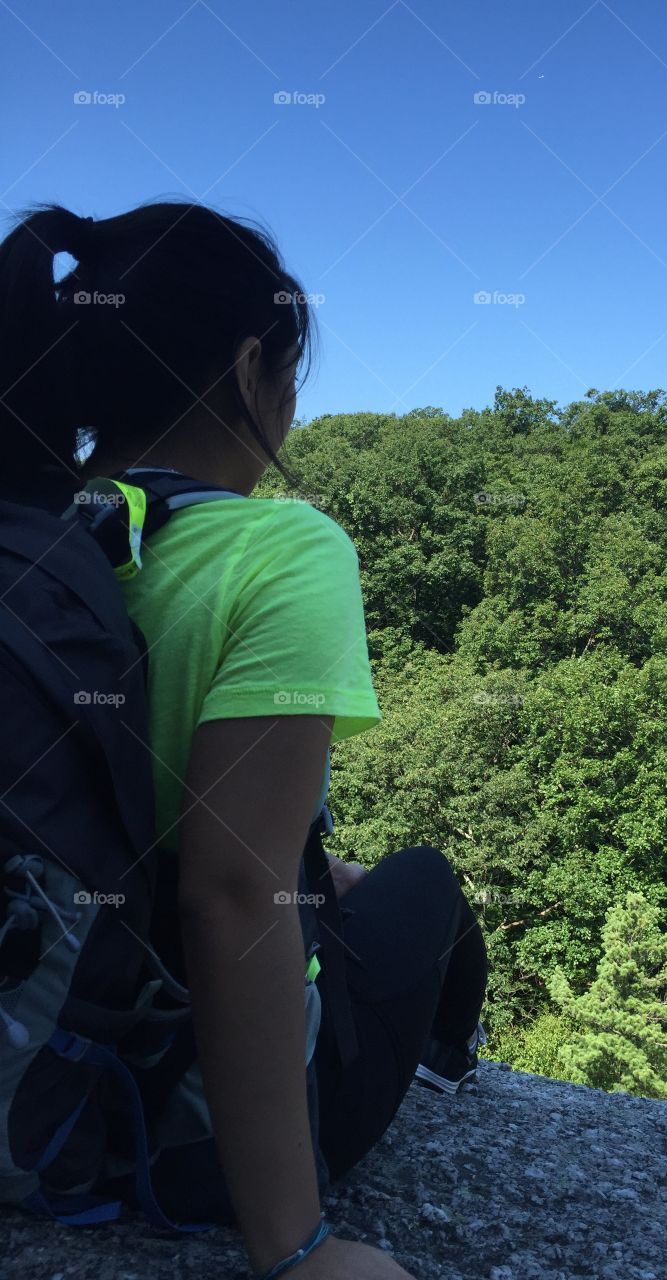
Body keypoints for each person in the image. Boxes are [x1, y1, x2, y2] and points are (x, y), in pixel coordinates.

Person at [0, 199, 489, 1280]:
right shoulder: (283, 549)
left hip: (33, 1050)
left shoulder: (40, 539)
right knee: (429, 887)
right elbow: (228, 890)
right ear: (250, 366)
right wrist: (297, 1247)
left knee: (336, 875)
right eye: (293, 383)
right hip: (162, 1129)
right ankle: (456, 1062)